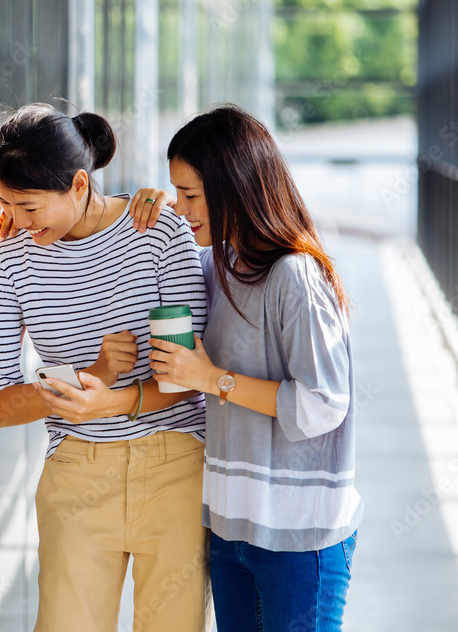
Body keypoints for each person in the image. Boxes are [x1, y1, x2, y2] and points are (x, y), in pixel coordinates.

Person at [0, 103, 214, 632]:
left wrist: (112, 398)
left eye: (29, 206)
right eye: (4, 203)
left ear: (79, 184)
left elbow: (183, 377)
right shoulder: (8, 259)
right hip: (76, 472)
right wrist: (93, 379)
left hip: (175, 466)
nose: (14, 221)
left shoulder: (160, 234)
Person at [149, 105, 362, 632]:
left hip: (298, 538)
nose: (181, 209)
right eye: (174, 193)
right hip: (231, 529)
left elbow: (322, 404)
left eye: (191, 196)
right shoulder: (217, 266)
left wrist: (211, 380)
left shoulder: (297, 276)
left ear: (235, 187)